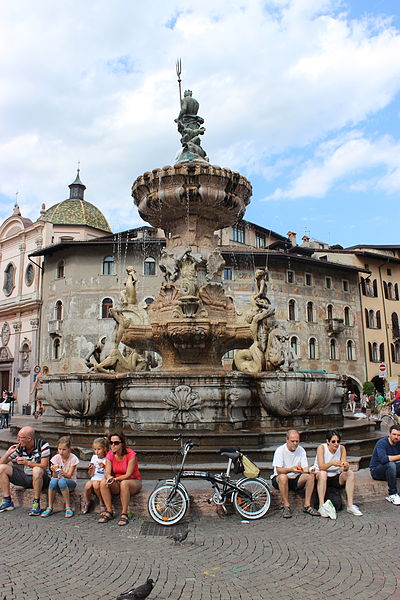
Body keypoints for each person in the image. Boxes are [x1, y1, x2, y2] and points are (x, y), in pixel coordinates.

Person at [0, 426, 50, 515]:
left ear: (29, 439)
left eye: (20, 437)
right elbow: (1, 463)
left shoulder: (43, 445)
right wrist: (8, 453)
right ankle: (7, 501)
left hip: (42, 478)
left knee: (36, 470)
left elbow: (44, 466)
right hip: (26, 477)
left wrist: (27, 463)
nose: (17, 439)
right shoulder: (20, 447)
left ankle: (36, 503)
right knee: (2, 468)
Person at [271, 429, 320, 518]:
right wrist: (290, 469)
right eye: (292, 441)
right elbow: (278, 470)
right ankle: (286, 506)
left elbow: (304, 468)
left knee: (310, 476)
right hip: (280, 478)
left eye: (297, 441)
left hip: (295, 478)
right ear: (287, 440)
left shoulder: (301, 450)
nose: (295, 443)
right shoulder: (280, 450)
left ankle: (307, 505)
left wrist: (310, 470)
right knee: (283, 477)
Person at [314, 430, 363, 517]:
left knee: (350, 473)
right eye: (333, 441)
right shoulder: (321, 448)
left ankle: (350, 505)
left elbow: (344, 467)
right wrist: (331, 463)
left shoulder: (341, 448)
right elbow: (321, 467)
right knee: (323, 474)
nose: (336, 444)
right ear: (327, 441)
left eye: (338, 441)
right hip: (322, 475)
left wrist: (346, 466)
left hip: (335, 475)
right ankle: (321, 506)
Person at [99, 432, 141, 526]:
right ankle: (109, 510)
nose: (113, 445)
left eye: (116, 443)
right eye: (111, 443)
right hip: (117, 480)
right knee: (103, 482)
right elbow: (107, 471)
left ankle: (124, 513)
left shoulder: (131, 455)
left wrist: (114, 479)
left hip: (133, 480)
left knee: (124, 483)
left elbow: (128, 474)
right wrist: (109, 477)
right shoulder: (110, 454)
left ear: (122, 443)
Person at [41, 436, 79, 518]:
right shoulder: (56, 458)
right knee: (53, 481)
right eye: (59, 449)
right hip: (59, 481)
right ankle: (50, 506)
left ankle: (68, 507)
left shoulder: (73, 459)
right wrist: (54, 471)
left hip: (70, 482)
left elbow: (69, 475)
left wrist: (62, 473)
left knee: (62, 481)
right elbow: (54, 476)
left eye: (64, 449)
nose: (61, 452)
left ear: (69, 449)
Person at [370, 424, 400, 504]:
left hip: (391, 469)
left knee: (392, 465)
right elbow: (384, 459)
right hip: (377, 470)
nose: (396, 437)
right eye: (394, 434)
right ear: (389, 434)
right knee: (391, 465)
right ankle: (392, 494)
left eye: (398, 435)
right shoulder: (382, 443)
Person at [81, 437, 109, 514]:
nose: (96, 452)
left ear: (104, 449)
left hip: (102, 479)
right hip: (94, 478)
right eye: (95, 449)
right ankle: (87, 502)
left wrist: (104, 466)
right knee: (87, 486)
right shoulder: (94, 457)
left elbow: (109, 472)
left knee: (96, 485)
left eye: (99, 449)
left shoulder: (107, 458)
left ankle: (101, 502)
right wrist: (91, 469)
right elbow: (91, 474)